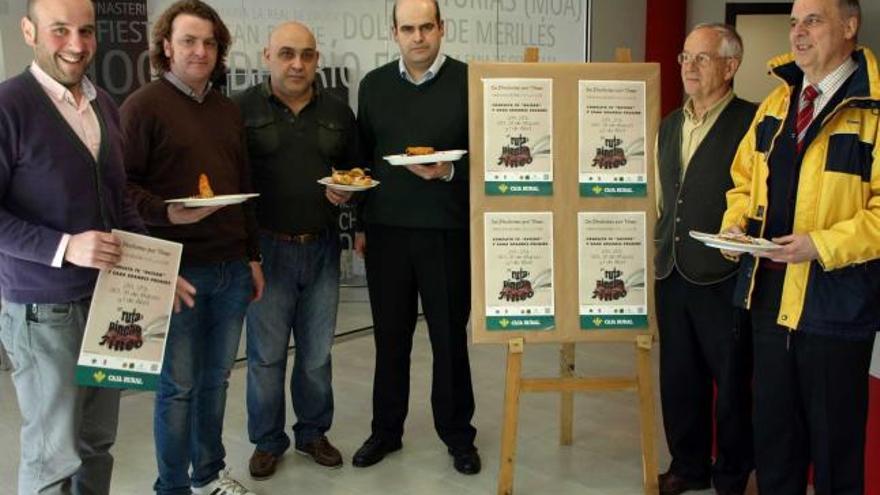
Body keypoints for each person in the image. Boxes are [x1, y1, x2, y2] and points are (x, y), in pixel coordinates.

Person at [720, 0, 878, 493]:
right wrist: (734, 226)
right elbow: (744, 181)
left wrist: (821, 244)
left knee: (835, 455)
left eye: (813, 20)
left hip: (836, 309)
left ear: (850, 27)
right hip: (769, 301)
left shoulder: (873, 108)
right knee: (776, 447)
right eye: (793, 23)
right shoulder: (777, 103)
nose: (798, 33)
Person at [0, 0, 147, 492]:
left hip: (109, 304)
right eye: (60, 30)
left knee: (96, 444)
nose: (77, 44)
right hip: (45, 310)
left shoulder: (103, 103)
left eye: (86, 31)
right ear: (29, 31)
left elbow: (119, 199)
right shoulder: (8, 105)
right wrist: (65, 247)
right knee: (52, 456)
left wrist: (155, 271)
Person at [120, 1, 264, 494]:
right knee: (177, 389)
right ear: (166, 46)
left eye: (209, 42)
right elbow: (122, 187)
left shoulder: (227, 109)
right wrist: (166, 212)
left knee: (216, 383)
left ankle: (208, 476)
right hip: (175, 272)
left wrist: (252, 256)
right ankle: (172, 487)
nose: (200, 51)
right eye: (188, 41)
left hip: (230, 269)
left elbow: (242, 183)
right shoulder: (142, 107)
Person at [351, 0, 479, 475]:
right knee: (390, 339)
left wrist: (449, 170)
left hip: (447, 232)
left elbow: (492, 156)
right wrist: (360, 224)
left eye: (427, 26)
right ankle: (386, 431)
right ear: (395, 33)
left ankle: (458, 436)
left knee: (448, 339)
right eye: (409, 28)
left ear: (442, 28)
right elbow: (363, 161)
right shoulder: (374, 85)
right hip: (386, 233)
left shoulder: (470, 82)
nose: (418, 37)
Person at [233, 21, 358, 479]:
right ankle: (267, 440)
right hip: (266, 251)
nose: (297, 64)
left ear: (317, 60)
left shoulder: (339, 112)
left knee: (317, 355)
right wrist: (244, 253)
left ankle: (312, 433)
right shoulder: (239, 110)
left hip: (322, 249)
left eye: (306, 55)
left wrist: (350, 193)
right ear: (267, 55)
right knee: (265, 357)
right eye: (287, 53)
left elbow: (355, 171)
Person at [654, 23, 756, 495]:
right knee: (678, 377)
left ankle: (732, 473)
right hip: (672, 271)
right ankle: (687, 465)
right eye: (684, 58)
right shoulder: (670, 124)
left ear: (730, 66)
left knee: (731, 382)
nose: (689, 68)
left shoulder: (754, 123)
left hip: (723, 274)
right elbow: (663, 198)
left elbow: (758, 196)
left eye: (702, 58)